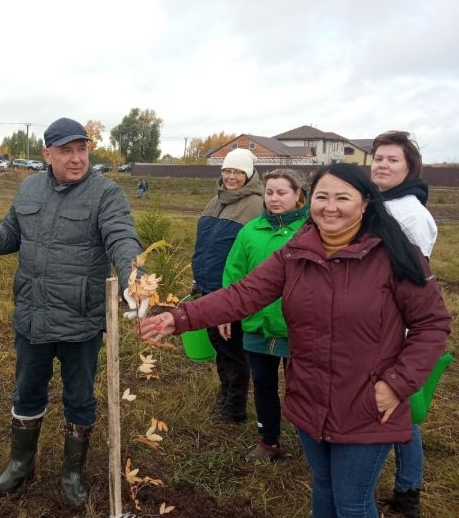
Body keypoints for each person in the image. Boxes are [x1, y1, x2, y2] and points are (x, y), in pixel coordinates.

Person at [140, 163, 450, 517]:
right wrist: (180, 317)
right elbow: (244, 293)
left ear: (365, 202)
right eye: (322, 197)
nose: (330, 207)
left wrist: (397, 383)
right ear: (310, 201)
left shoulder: (396, 255)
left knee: (352, 502)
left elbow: (432, 325)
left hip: (367, 403)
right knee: (324, 489)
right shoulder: (296, 252)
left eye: (342, 198)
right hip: (310, 396)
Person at [0, 117, 144, 508]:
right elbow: (12, 230)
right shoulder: (30, 188)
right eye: (66, 151)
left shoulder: (106, 194)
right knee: (27, 389)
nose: (77, 158)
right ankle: (20, 463)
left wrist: (134, 277)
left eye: (82, 149)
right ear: (47, 154)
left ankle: (72, 471)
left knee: (79, 397)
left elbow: (121, 237)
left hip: (81, 320)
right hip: (32, 314)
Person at [220, 169, 309, 461]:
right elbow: (234, 273)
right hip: (257, 324)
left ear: (298, 195)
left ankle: (310, 440)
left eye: (282, 192)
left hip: (297, 327)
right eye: (269, 192)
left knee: (302, 386)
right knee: (263, 383)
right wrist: (223, 312)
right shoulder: (251, 231)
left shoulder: (311, 230)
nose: (274, 198)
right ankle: (269, 441)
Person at [371, 131, 438, 517]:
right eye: (378, 158)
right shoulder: (382, 204)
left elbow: (412, 283)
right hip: (378, 324)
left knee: (399, 408)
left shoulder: (409, 214)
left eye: (392, 160)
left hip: (398, 329)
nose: (382, 164)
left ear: (409, 167)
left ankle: (408, 490)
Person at [190, 148, 263, 423]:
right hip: (209, 284)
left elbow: (253, 253)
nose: (231, 177)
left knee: (232, 348)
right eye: (227, 171)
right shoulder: (217, 199)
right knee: (220, 345)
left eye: (237, 172)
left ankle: (235, 408)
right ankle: (226, 395)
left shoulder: (255, 204)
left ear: (249, 174)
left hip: (231, 288)